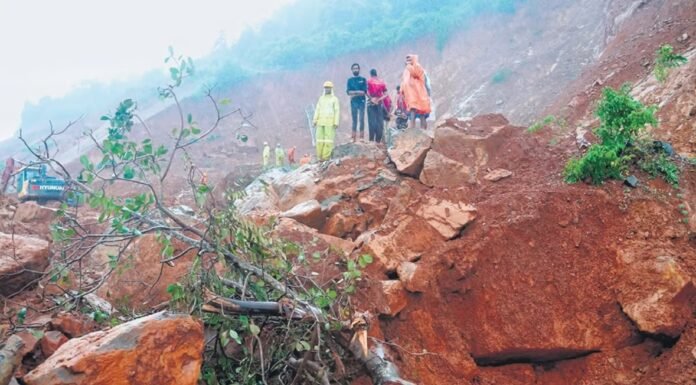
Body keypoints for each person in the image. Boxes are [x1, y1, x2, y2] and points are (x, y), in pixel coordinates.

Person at [400, 54, 431, 129]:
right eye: (407, 60)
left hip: (420, 94)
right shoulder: (406, 70)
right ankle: (412, 130)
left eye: (409, 60)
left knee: (422, 113)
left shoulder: (417, 66)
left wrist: (408, 66)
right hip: (411, 95)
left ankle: (423, 131)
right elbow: (404, 81)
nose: (408, 62)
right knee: (412, 111)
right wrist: (402, 90)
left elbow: (415, 74)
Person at [313, 81, 340, 161]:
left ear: (331, 89)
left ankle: (325, 157)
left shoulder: (334, 99)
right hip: (320, 122)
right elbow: (317, 109)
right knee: (319, 139)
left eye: (328, 87)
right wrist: (314, 120)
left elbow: (337, 110)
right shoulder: (321, 99)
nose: (327, 89)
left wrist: (336, 122)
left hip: (330, 123)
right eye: (325, 88)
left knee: (328, 140)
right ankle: (319, 156)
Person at [346, 63, 367, 142]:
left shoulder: (363, 79)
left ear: (359, 69)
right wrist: (358, 92)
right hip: (353, 102)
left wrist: (354, 93)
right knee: (354, 119)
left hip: (361, 101)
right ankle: (353, 137)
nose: (355, 70)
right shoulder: (350, 80)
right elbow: (348, 92)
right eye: (354, 68)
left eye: (357, 68)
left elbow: (364, 92)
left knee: (361, 119)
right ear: (352, 70)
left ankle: (361, 137)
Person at [366, 69, 388, 143]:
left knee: (372, 122)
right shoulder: (382, 82)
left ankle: (371, 140)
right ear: (376, 74)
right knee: (379, 122)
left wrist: (372, 99)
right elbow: (386, 94)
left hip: (370, 103)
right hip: (379, 104)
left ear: (371, 74)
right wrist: (378, 100)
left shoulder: (368, 81)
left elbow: (366, 91)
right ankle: (378, 140)